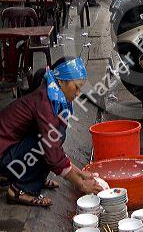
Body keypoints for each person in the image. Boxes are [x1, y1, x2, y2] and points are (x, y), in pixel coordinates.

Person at [0, 57, 104, 207]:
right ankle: (20, 189)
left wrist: (80, 173)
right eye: (76, 87)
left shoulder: (52, 94)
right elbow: (52, 151)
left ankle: (33, 179)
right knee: (49, 142)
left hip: (11, 151)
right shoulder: (45, 102)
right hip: (4, 158)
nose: (78, 93)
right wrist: (81, 184)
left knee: (55, 137)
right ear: (61, 82)